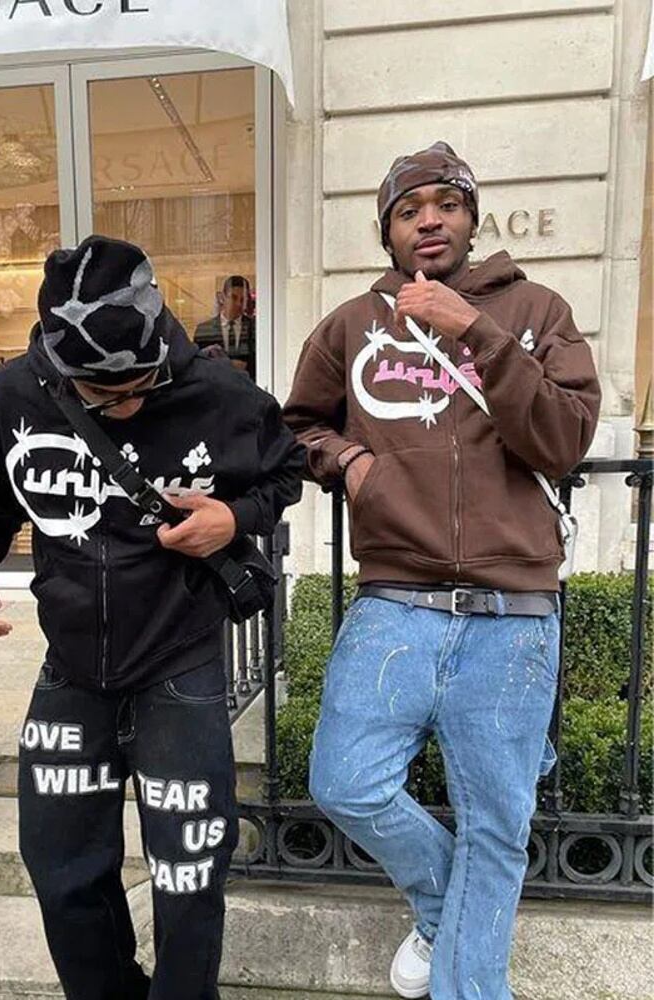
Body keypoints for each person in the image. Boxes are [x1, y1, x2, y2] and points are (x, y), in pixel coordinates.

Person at [0, 235, 303, 1000]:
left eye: (141, 383)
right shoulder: (14, 395)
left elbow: (286, 469)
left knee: (188, 876)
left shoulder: (219, 392)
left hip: (181, 662)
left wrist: (233, 518)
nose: (129, 404)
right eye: (104, 395)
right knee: (59, 867)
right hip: (72, 670)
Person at [283, 143, 600, 1000]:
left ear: (471, 217)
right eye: (408, 209)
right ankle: (444, 910)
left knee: (498, 826)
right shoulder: (352, 323)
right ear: (386, 229)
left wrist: (477, 331)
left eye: (446, 205)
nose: (429, 221)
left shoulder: (536, 310)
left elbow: (566, 439)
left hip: (515, 612)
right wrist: (351, 463)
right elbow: (296, 424)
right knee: (345, 782)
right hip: (396, 600)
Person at [194, 275, 257, 380]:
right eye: (234, 297)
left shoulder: (256, 328)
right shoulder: (203, 330)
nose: (239, 304)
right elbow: (198, 366)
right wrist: (226, 366)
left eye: (243, 300)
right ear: (222, 298)